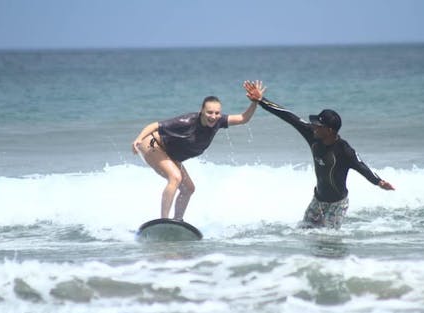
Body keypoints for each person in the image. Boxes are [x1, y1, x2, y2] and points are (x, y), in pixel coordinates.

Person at [244, 80, 394, 229]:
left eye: (318, 125)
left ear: (329, 130)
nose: (314, 126)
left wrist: (379, 182)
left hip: (337, 205)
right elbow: (288, 116)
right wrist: (261, 100)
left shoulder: (344, 150)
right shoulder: (312, 135)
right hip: (318, 200)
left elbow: (361, 166)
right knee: (304, 232)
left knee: (327, 241)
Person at [132, 82, 265, 220]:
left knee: (188, 189)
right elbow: (155, 125)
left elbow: (244, 118)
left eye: (217, 113)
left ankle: (177, 221)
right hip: (153, 143)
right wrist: (138, 139)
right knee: (175, 177)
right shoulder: (186, 121)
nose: (213, 116)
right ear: (202, 111)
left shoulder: (219, 121)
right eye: (209, 112)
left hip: (170, 154)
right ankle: (163, 221)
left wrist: (255, 102)